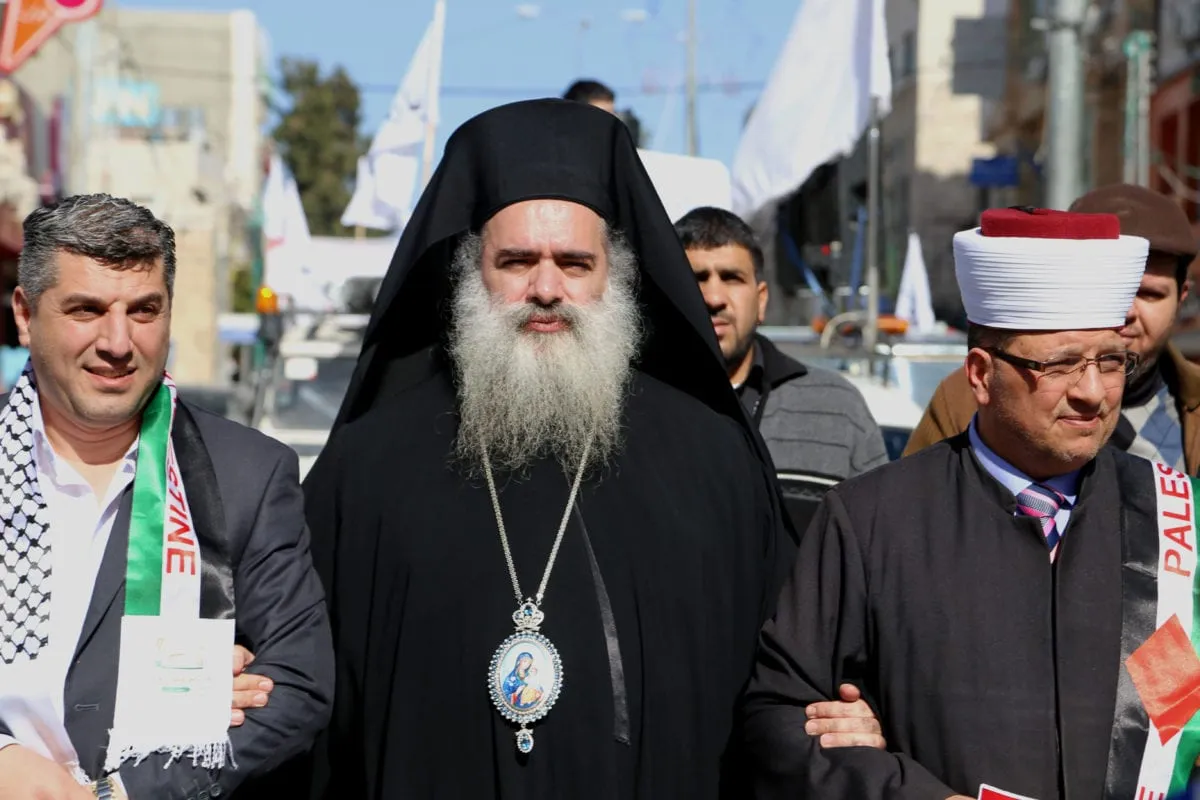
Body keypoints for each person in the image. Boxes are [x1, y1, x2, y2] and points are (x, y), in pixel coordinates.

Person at [298, 99, 791, 799]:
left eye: (575, 263)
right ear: (472, 271)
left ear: (615, 274)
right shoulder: (367, 468)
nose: (547, 289)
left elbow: (780, 691)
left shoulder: (716, 463)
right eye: (518, 261)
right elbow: (308, 700)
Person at [742, 207, 1200, 798]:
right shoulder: (872, 521)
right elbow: (778, 718)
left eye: (1110, 362)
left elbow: (1173, 717)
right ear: (981, 375)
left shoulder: (1173, 516)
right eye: (1061, 365)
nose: (1093, 392)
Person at [0, 194, 333, 799]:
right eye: (86, 309)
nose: (118, 342)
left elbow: (295, 684)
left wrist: (121, 794)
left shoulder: (247, 475)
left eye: (144, 311)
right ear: (25, 314)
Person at [904, 184, 1200, 468]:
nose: (1125, 311)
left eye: (1148, 294)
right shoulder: (971, 395)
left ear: (1181, 297)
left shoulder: (1189, 411)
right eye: (1104, 290)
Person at [676, 206, 888, 479]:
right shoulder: (634, 408)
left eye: (731, 278)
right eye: (697, 279)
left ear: (761, 299)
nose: (714, 298)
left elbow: (883, 506)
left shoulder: (838, 407)